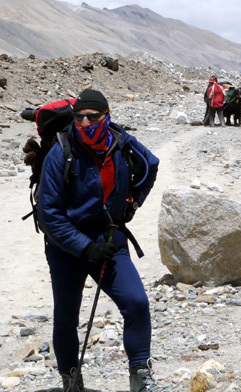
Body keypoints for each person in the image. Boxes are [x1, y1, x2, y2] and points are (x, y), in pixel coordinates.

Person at [37, 89, 164, 392]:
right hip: (66, 248)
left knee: (136, 303)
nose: (84, 122)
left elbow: (150, 166)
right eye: (79, 117)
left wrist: (131, 205)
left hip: (109, 239)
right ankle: (71, 381)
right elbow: (49, 215)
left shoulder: (123, 144)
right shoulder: (60, 153)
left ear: (106, 117)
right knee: (66, 315)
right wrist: (84, 246)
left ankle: (141, 378)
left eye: (92, 116)